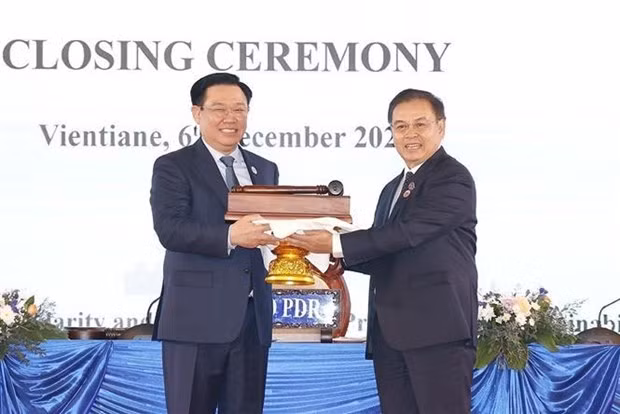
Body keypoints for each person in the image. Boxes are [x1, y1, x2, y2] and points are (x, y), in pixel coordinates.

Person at [286, 89, 478, 413]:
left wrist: (335, 243)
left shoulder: (452, 178)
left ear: (441, 127)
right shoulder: (392, 188)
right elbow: (386, 252)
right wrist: (329, 255)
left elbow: (408, 233)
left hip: (437, 334)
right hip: (391, 335)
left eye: (420, 124)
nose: (410, 134)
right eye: (400, 126)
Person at [150, 72, 279, 414]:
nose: (230, 117)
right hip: (194, 319)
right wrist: (230, 236)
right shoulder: (173, 166)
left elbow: (270, 230)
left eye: (239, 109)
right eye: (219, 108)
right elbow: (170, 229)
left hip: (252, 320)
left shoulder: (265, 169)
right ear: (197, 113)